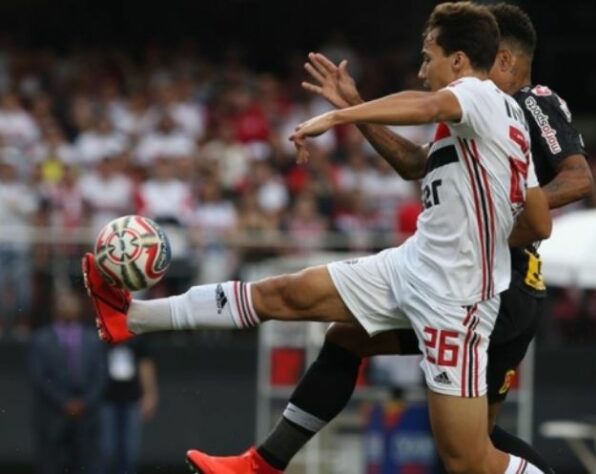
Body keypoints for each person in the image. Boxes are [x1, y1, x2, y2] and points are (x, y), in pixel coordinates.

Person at [82, 3, 550, 473]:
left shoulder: (479, 96)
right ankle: (133, 319)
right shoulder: (497, 124)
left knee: (469, 461)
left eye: (428, 57)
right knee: (284, 293)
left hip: (456, 299)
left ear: (460, 60)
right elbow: (516, 209)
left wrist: (337, 119)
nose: (422, 69)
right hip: (414, 265)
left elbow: (426, 104)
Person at [241, 4, 591, 473]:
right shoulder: (470, 122)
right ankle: (266, 461)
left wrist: (501, 220)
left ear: (503, 59)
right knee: (357, 345)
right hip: (468, 282)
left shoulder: (530, 102)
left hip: (500, 287)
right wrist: (354, 109)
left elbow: (579, 176)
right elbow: (413, 164)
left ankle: (266, 462)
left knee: (470, 451)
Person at [27, 290, 107, 474]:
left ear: (79, 308)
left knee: (85, 463)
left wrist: (85, 402)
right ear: (54, 309)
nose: (68, 308)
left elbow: (100, 375)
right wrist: (64, 402)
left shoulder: (93, 339)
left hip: (86, 415)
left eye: (72, 303)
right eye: (63, 304)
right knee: (51, 464)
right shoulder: (41, 339)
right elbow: (39, 377)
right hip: (53, 414)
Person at [101, 339, 159, 474]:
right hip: (105, 398)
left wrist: (150, 393)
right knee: (106, 449)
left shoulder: (134, 334)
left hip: (132, 398)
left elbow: (145, 364)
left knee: (129, 450)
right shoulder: (102, 331)